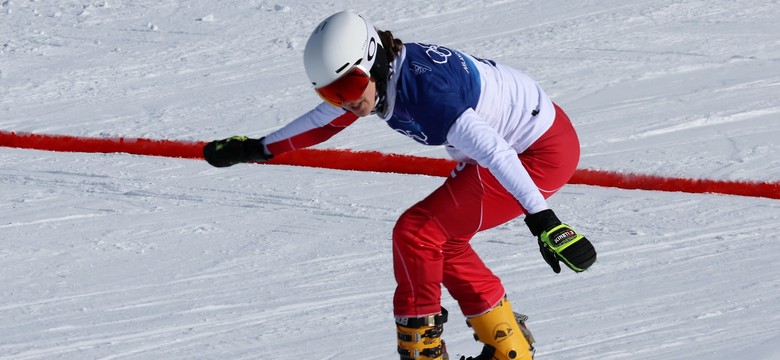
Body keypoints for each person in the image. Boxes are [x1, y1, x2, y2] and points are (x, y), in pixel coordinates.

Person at [203, 10, 596, 360]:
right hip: (523, 140)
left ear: (372, 62)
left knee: (417, 233)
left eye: (349, 87)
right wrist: (258, 148)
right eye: (331, 92)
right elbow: (325, 121)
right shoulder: (378, 78)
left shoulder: (425, 92)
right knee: (442, 241)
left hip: (535, 154)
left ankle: (422, 349)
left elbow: (497, 153)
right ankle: (509, 344)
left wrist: (544, 221)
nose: (345, 101)